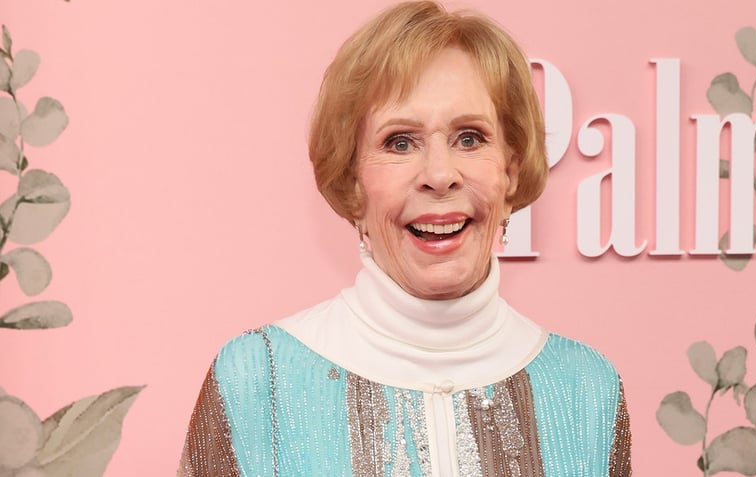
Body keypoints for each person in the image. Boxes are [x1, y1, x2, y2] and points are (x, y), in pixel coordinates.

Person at [179, 1, 632, 476]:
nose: (439, 175)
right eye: (400, 142)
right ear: (354, 181)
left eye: (470, 138)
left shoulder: (587, 388)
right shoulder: (257, 379)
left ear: (511, 170)